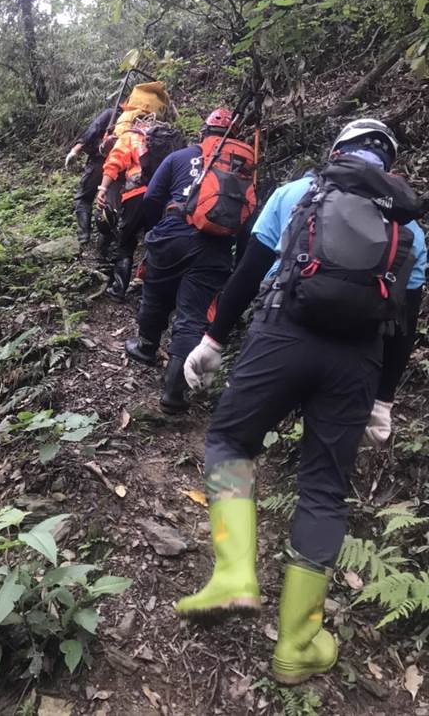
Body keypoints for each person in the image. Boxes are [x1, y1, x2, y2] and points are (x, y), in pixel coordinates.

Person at [175, 119, 426, 685]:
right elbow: (405, 325)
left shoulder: (298, 192)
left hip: (280, 338)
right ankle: (296, 645)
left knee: (230, 441)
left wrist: (212, 340)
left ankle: (234, 574)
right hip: (357, 363)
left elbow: (247, 274)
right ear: (388, 166)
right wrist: (384, 401)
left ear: (337, 152)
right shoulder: (407, 226)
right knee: (323, 489)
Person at [124, 108, 236, 413]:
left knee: (156, 291)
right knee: (193, 314)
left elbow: (151, 197)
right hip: (215, 246)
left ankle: (146, 347)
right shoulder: (240, 167)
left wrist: (157, 228)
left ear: (203, 133)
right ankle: (174, 393)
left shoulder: (180, 157)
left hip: (173, 231)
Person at [96, 81, 172, 300]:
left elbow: (114, 163)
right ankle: (149, 291)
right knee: (154, 241)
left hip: (136, 195)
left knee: (126, 241)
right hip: (162, 197)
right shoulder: (167, 138)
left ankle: (118, 289)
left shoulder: (130, 135)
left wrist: (103, 188)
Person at [65, 107, 116, 245]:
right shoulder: (139, 120)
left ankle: (84, 237)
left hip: (100, 161)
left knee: (83, 198)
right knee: (110, 202)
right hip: (123, 165)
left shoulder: (111, 113)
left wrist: (75, 150)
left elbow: (93, 129)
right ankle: (106, 241)